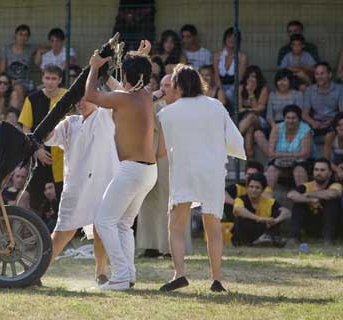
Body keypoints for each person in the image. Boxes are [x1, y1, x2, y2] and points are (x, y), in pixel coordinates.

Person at [158, 65, 246, 293]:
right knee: (213, 225)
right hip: (213, 171)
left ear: (177, 86)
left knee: (176, 226)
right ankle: (216, 279)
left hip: (185, 171)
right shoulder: (216, 106)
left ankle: (179, 274)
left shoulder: (168, 112)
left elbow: (161, 150)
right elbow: (234, 140)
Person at [84, 41, 158, 290]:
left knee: (104, 222)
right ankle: (129, 275)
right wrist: (141, 57)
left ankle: (120, 277)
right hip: (148, 172)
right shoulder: (145, 96)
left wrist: (94, 68)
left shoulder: (125, 100)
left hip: (133, 171)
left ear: (128, 76)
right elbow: (123, 87)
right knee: (123, 225)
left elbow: (91, 96)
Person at [45, 95, 117, 284]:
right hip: (76, 185)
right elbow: (48, 137)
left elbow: (124, 95)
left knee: (100, 229)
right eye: (78, 100)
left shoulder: (105, 114)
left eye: (86, 98)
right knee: (63, 232)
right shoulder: (70, 123)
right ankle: (38, 271)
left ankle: (101, 272)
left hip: (103, 182)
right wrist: (57, 114)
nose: (81, 103)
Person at [137, 74, 192, 258]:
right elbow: (140, 108)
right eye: (161, 85)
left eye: (168, 85)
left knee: (172, 204)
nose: (164, 89)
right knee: (149, 202)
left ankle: (171, 247)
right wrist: (154, 94)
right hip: (151, 158)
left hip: (176, 161)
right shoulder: (155, 105)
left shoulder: (185, 108)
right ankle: (150, 245)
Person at [19, 64, 67, 211]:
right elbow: (26, 128)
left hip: (64, 157)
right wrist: (36, 150)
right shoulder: (32, 99)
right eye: (47, 78)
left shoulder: (67, 96)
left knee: (64, 199)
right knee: (35, 199)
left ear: (59, 80)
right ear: (42, 78)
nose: (50, 82)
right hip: (39, 156)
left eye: (54, 78)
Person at [286, 159, 342, 246]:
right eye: (316, 170)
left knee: (331, 202)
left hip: (331, 225)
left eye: (322, 170)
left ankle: (328, 239)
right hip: (311, 225)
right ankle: (294, 238)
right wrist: (310, 200)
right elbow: (291, 195)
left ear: (330, 173)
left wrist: (309, 194)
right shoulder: (307, 185)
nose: (318, 173)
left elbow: (333, 193)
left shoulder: (335, 185)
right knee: (298, 202)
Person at [232, 173, 290, 247]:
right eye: (251, 187)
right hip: (247, 232)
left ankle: (268, 239)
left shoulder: (269, 201)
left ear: (263, 190)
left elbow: (286, 212)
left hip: (263, 229)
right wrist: (259, 218)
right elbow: (238, 210)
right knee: (239, 219)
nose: (253, 190)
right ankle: (266, 240)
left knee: (278, 213)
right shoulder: (240, 199)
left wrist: (276, 220)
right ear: (247, 187)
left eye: (257, 188)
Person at [264, 105, 313, 188]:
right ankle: (267, 197)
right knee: (271, 170)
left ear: (299, 119)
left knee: (299, 171)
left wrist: (280, 154)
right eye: (288, 118)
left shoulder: (305, 129)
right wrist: (294, 154)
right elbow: (271, 153)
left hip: (300, 162)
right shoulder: (277, 128)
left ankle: (301, 197)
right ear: (284, 118)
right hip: (279, 162)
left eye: (293, 118)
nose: (290, 121)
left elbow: (306, 154)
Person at [303, 62, 343, 138]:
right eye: (317, 74)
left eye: (322, 73)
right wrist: (313, 122)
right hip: (315, 123)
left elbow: (342, 112)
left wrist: (332, 120)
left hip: (334, 122)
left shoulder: (340, 89)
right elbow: (304, 114)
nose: (319, 77)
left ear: (329, 75)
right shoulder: (309, 90)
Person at [237, 65, 269, 159]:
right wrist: (250, 110)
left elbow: (260, 109)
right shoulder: (241, 88)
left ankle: (231, 138)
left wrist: (251, 93)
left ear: (258, 78)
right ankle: (250, 159)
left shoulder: (263, 89)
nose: (251, 79)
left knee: (251, 117)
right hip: (243, 120)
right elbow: (239, 109)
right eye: (249, 77)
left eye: (254, 77)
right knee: (249, 130)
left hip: (260, 120)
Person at [0, 24, 36, 91]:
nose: (23, 37)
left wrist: (39, 52)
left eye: (26, 35)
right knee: (16, 90)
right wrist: (9, 81)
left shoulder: (31, 49)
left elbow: (46, 48)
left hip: (26, 82)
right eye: (20, 34)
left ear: (28, 37)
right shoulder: (6, 50)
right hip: (9, 81)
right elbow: (2, 71)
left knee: (18, 88)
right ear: (15, 35)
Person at [213, 27, 247, 101]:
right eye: (229, 37)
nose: (232, 40)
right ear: (225, 39)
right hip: (220, 85)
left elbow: (240, 77)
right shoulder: (217, 55)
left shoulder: (242, 56)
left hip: (234, 86)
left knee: (230, 93)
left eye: (234, 37)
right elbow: (216, 75)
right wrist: (221, 89)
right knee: (219, 93)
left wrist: (230, 89)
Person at [324, 114, 343, 181]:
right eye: (339, 125)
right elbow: (326, 159)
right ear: (335, 127)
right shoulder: (330, 136)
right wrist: (338, 169)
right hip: (333, 163)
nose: (342, 128)